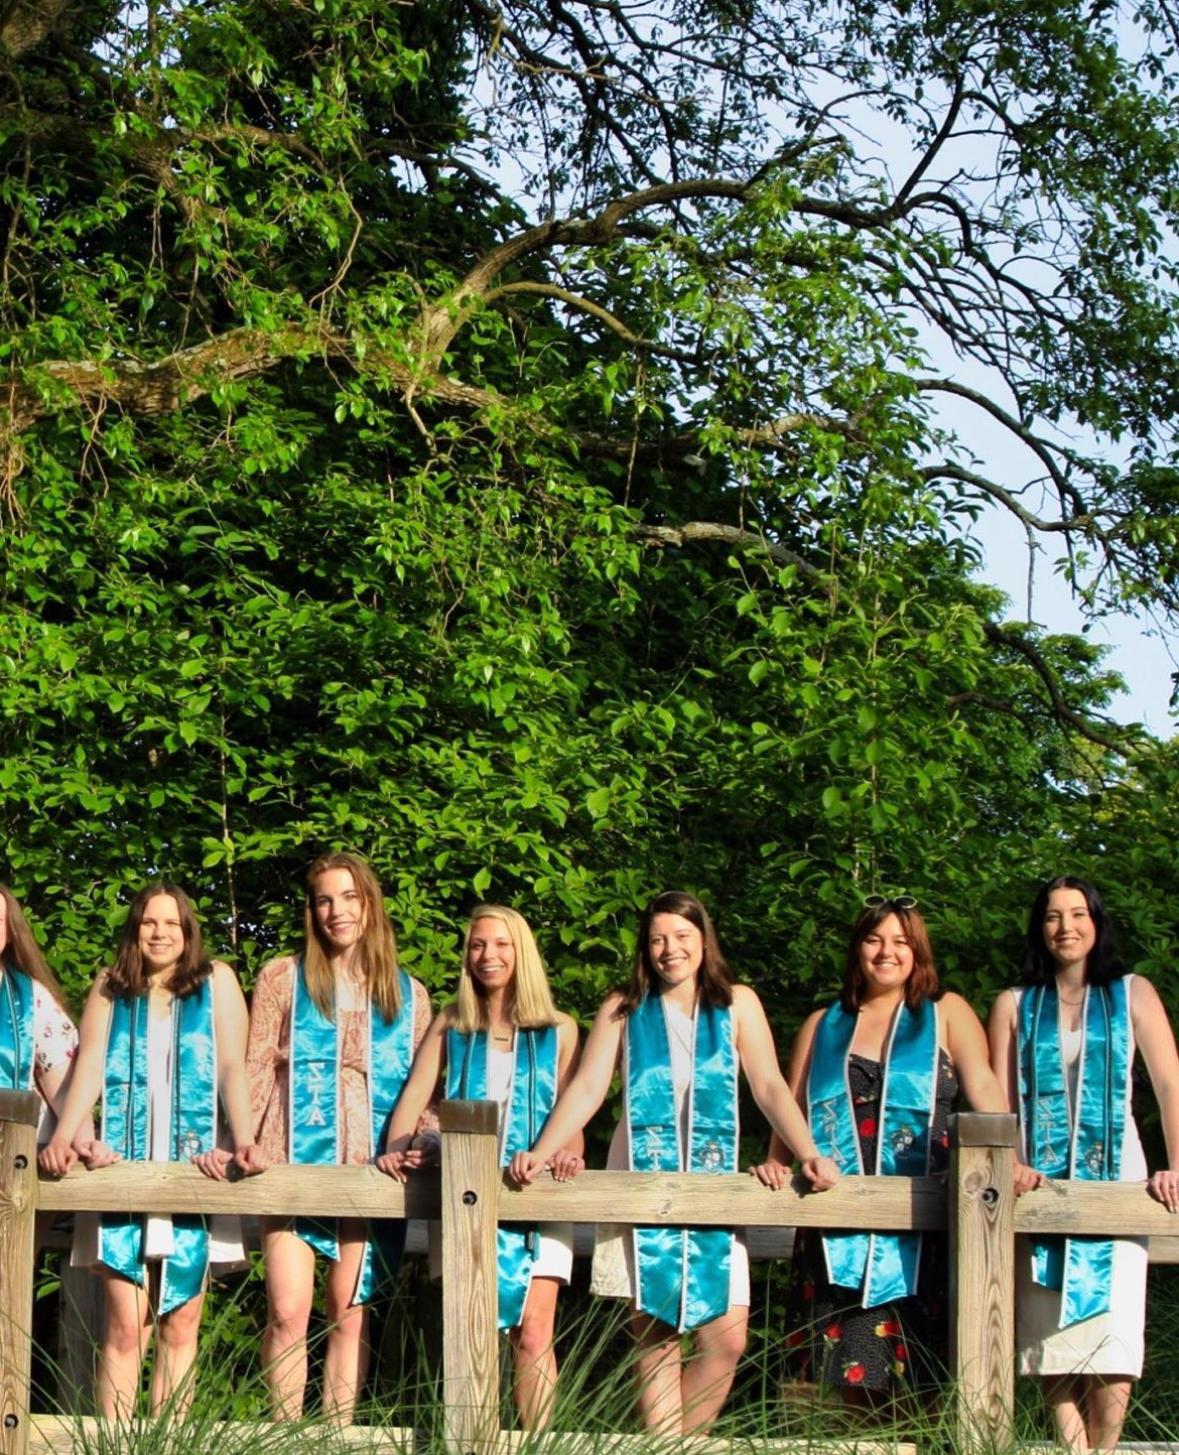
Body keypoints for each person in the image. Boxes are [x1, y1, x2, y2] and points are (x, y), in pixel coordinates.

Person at [510, 889, 838, 1435]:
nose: (671, 949)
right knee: (657, 1334)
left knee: (727, 1338)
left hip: (711, 1187)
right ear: (646, 946)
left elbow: (768, 1086)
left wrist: (808, 1153)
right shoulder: (624, 1006)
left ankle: (672, 1444)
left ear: (703, 941)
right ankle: (664, 1443)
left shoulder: (737, 1003)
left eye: (682, 937)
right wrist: (544, 1150)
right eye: (659, 938)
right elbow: (589, 1086)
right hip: (641, 1176)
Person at [756, 895, 1008, 1406]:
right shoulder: (822, 1025)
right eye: (874, 940)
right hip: (835, 1236)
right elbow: (791, 1105)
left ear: (918, 952)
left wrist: (1012, 1159)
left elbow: (984, 1091)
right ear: (857, 950)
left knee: (924, 1388)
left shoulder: (945, 1014)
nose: (886, 952)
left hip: (926, 1228)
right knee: (839, 1394)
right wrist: (775, 1162)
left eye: (900, 941)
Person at [38, 883, 266, 1419]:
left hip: (196, 1167)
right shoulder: (111, 987)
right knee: (124, 1324)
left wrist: (241, 1140)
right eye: (148, 923)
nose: (160, 933)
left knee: (181, 1322)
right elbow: (90, 1065)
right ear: (134, 930)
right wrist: (66, 1136)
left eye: (171, 924)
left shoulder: (217, 983)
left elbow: (234, 1066)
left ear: (188, 932)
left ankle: (170, 1441)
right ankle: (114, 1444)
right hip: (124, 1165)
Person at [988, 875, 1179, 1452]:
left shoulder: (1132, 993)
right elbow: (997, 1098)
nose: (1065, 927)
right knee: (1049, 1333)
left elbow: (1170, 1086)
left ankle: (1105, 1449)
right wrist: (1012, 1162)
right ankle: (1073, 1450)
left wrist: (1176, 1165)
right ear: (1039, 929)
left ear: (1096, 923)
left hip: (1119, 1180)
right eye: (1052, 916)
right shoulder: (1014, 1003)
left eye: (1077, 914)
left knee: (1115, 1330)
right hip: (1040, 1183)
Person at [377, 904, 581, 1430]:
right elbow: (414, 1099)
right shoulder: (453, 1022)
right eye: (477, 945)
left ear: (522, 952)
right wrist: (402, 1146)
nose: (488, 955)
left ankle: (539, 1443)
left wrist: (568, 1152)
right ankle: (474, 1438)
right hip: (463, 1195)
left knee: (534, 1331)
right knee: (474, 1331)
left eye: (501, 944)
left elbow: (570, 1113)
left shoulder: (560, 1029)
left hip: (535, 1194)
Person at [247, 851, 432, 1424]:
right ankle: (281, 1434)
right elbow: (255, 1066)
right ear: (312, 910)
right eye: (324, 899)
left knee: (350, 1311)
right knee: (288, 1310)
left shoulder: (408, 993)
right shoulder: (283, 977)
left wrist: (420, 1142)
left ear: (369, 904)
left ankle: (335, 1433)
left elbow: (421, 1091)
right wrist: (243, 1140)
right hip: (291, 1161)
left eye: (348, 897)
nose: (336, 911)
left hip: (371, 1170)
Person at [0, 883, 80, 1135]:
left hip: (18, 1154)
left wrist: (80, 1141)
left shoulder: (31, 999)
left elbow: (65, 1089)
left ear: (10, 932)